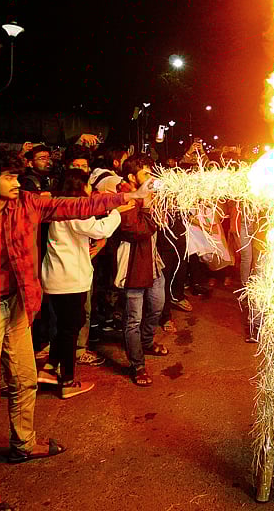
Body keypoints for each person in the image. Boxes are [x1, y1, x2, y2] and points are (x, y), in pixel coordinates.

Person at [0, 149, 150, 511]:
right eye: (9, 177)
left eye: (18, 177)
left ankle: (23, 444)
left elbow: (75, 206)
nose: (17, 184)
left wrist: (126, 197)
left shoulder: (28, 205)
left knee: (24, 379)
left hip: (18, 305)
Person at [39, 169, 132, 398]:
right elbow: (100, 229)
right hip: (69, 280)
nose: (91, 189)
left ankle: (51, 368)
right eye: (88, 185)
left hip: (57, 277)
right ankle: (68, 381)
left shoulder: (60, 205)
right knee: (71, 328)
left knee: (65, 325)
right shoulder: (73, 209)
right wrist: (117, 213)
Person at [112, 156, 171, 387]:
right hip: (133, 266)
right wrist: (147, 205)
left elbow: (162, 223)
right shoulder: (123, 199)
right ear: (131, 178)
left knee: (157, 307)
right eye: (145, 174)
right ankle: (137, 365)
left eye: (150, 173)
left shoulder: (151, 196)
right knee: (133, 319)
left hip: (153, 264)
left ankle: (147, 341)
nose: (151, 178)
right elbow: (139, 231)